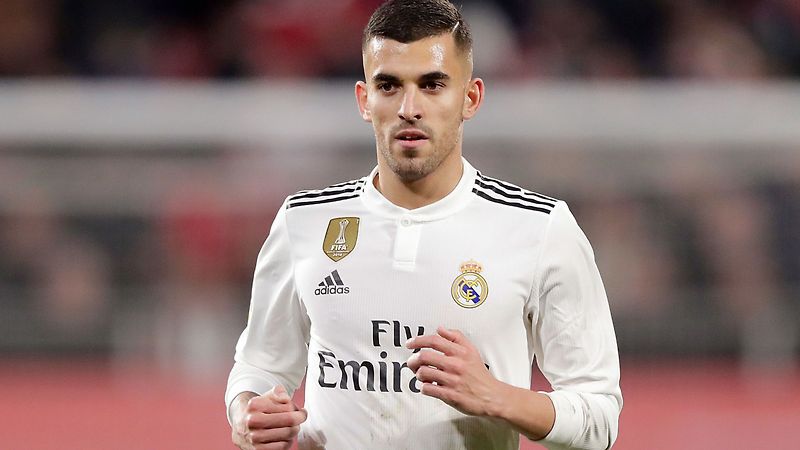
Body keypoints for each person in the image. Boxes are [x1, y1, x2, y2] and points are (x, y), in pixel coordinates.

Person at [225, 1, 622, 449]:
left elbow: (599, 417)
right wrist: (247, 414)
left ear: (470, 98)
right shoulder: (304, 221)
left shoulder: (539, 228)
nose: (409, 108)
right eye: (389, 85)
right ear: (364, 100)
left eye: (432, 85)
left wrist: (498, 397)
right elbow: (259, 366)